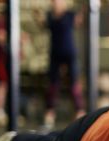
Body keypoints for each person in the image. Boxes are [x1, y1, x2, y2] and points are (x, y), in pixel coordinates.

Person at [42, 0, 86, 128]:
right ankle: (49, 113)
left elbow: (79, 21)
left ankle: (80, 112)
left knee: (74, 84)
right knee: (52, 84)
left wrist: (84, 9)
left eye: (59, 1)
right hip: (55, 53)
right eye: (54, 2)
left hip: (69, 53)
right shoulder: (50, 15)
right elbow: (44, 25)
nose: (57, 4)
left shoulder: (70, 15)